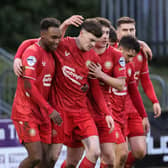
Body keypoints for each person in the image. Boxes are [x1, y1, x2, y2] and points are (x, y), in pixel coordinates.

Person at [13, 17, 114, 168]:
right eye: (91, 40)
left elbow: (95, 89)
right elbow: (36, 41)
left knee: (94, 151)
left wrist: (106, 113)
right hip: (58, 112)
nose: (92, 45)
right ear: (82, 33)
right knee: (49, 159)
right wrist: (17, 57)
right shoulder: (62, 45)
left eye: (95, 42)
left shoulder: (92, 57)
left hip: (81, 112)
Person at [11, 17, 63, 168]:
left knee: (46, 162)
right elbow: (28, 85)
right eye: (53, 37)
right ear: (43, 35)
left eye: (59, 37)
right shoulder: (32, 53)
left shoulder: (52, 54)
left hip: (43, 114)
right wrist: (50, 109)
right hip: (25, 111)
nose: (57, 41)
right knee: (35, 158)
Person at [116, 16, 161, 168]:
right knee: (117, 154)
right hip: (115, 109)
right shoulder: (111, 50)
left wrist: (154, 101)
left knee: (140, 152)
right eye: (125, 30)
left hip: (134, 109)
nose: (128, 33)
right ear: (117, 32)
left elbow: (146, 80)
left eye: (131, 30)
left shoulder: (140, 53)